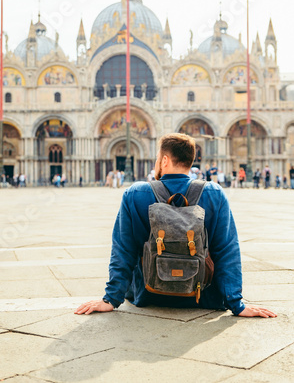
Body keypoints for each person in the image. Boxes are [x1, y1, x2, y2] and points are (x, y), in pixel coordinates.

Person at [75, 133, 276, 319]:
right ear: (190, 161)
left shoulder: (135, 194)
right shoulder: (214, 193)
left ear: (164, 160)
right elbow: (227, 249)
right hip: (201, 296)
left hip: (149, 295)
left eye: (157, 157)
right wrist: (236, 303)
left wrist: (111, 298)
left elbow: (123, 249)